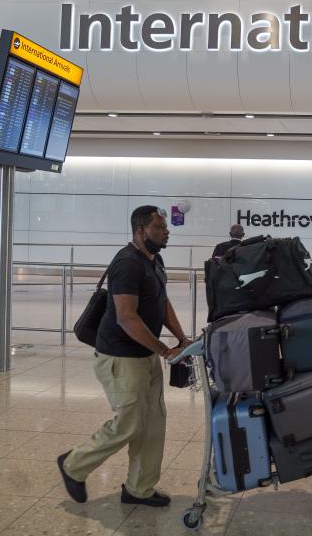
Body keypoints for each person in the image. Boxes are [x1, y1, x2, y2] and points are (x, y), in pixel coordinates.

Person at [58, 206, 190, 507]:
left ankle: (138, 489)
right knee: (129, 423)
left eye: (165, 226)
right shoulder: (127, 263)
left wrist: (180, 338)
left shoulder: (154, 260)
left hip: (146, 355)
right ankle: (73, 465)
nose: (166, 231)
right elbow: (127, 318)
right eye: (159, 226)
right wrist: (165, 350)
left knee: (153, 422)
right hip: (121, 356)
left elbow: (162, 302)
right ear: (140, 230)